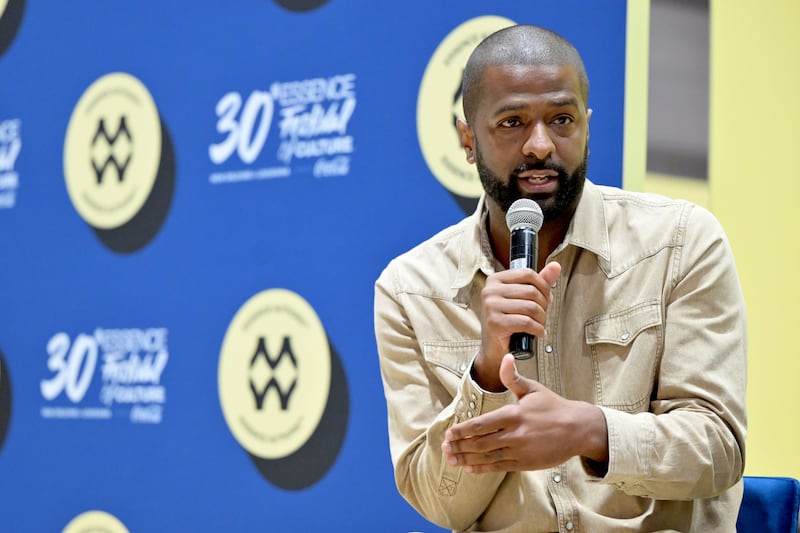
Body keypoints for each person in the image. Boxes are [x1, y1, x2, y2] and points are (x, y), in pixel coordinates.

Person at [374, 24, 746, 533]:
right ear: (467, 139)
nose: (540, 146)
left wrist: (590, 432)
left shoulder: (679, 242)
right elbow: (441, 505)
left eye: (562, 119)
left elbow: (719, 449)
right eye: (512, 123)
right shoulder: (410, 289)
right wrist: (486, 370)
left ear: (587, 126)